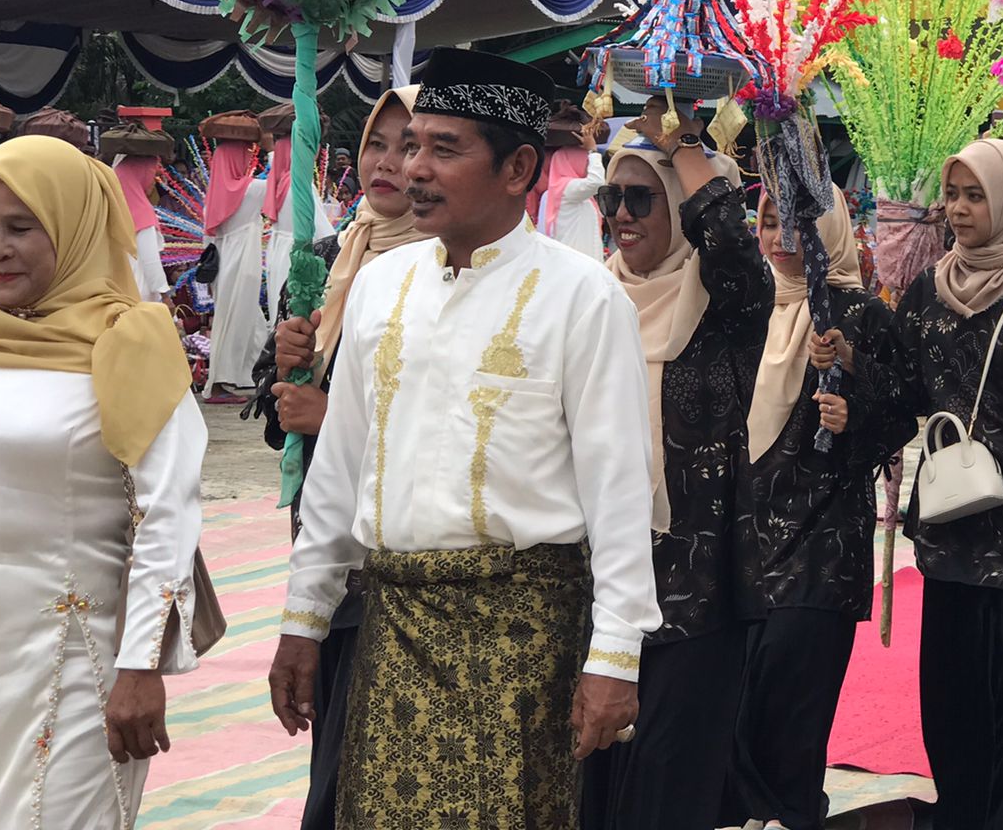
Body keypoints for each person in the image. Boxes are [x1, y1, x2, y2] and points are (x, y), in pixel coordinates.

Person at [268, 48, 661, 828]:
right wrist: (301, 622)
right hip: (393, 626)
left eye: (444, 149)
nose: (414, 168)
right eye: (411, 144)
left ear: (518, 167)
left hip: (522, 634)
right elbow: (339, 473)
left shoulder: (583, 298)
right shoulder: (382, 286)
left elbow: (620, 493)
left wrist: (614, 656)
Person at [826, 138, 1003, 828]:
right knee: (950, 709)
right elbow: (907, 391)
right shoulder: (930, 288)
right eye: (952, 194)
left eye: (974, 194)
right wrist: (851, 364)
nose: (956, 208)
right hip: (952, 527)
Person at [0, 136, 207, 828]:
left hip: (77, 655)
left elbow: (165, 511)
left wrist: (140, 666)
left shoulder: (130, 339)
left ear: (75, 226)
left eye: (21, 227)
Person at [583, 99, 771, 830]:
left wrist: (683, 140)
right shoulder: (590, 297)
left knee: (667, 780)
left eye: (641, 197)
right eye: (611, 198)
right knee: (591, 773)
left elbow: (729, 238)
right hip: (596, 577)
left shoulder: (724, 305)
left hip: (697, 580)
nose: (621, 215)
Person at [247, 86, 427, 830]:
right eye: (377, 145)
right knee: (335, 748)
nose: (387, 163)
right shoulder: (326, 256)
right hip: (322, 549)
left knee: (373, 762)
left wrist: (334, 414)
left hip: (395, 560)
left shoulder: (444, 267)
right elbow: (274, 419)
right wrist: (285, 367)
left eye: (411, 146)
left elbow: (452, 421)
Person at [729, 188, 897, 830]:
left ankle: (793, 813)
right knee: (742, 700)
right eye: (769, 223)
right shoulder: (742, 311)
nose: (780, 239)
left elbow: (901, 406)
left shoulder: (855, 315)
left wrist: (854, 403)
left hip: (824, 537)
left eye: (797, 226)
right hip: (746, 539)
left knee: (794, 699)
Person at [202, 132, 269, 402]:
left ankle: (247, 375)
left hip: (222, 264)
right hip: (242, 264)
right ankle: (219, 383)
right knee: (237, 323)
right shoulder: (252, 190)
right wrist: (273, 146)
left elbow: (206, 237)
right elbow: (281, 179)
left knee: (247, 322)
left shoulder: (214, 196)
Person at [262, 109, 336, 318]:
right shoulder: (301, 186)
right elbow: (326, 237)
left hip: (278, 253)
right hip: (297, 260)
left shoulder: (278, 178)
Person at [538, 118, 607, 257]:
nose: (588, 166)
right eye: (585, 161)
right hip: (574, 265)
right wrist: (593, 152)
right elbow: (596, 182)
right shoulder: (566, 188)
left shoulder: (568, 191)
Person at [113, 153, 171, 303]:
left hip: (113, 289)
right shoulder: (141, 211)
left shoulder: (110, 206)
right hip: (139, 292)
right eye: (152, 175)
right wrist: (164, 295)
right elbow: (150, 260)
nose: (154, 182)